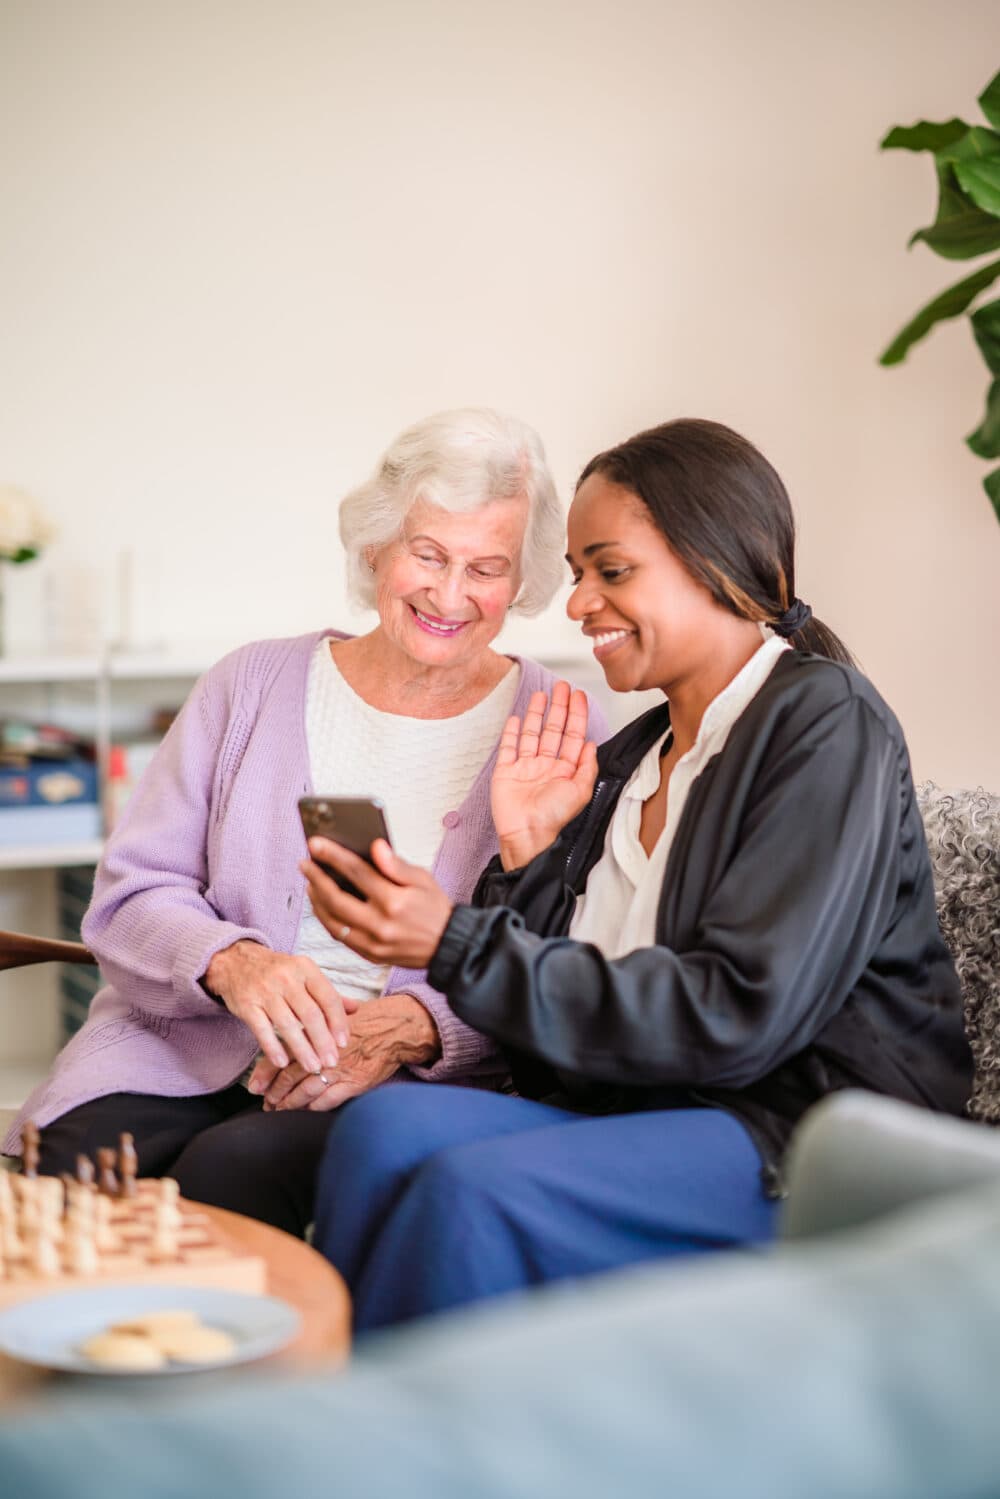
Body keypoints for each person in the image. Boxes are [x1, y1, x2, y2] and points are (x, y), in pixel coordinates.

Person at [293, 417, 972, 1332]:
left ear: (724, 562)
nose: (578, 604)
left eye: (611, 571)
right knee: (379, 1133)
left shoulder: (825, 724)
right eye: (576, 574)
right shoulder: (629, 758)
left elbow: (738, 1017)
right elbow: (547, 1036)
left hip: (799, 1139)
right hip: (638, 1108)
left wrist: (449, 939)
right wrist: (529, 854)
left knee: (474, 1189)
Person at [2, 407, 606, 1235]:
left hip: (376, 1085)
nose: (450, 593)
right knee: (63, 1171)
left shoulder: (560, 725)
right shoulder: (250, 684)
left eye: (486, 568)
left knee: (230, 1180)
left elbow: (573, 961)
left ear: (522, 581)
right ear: (376, 546)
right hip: (182, 1045)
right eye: (427, 554)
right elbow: (131, 891)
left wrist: (426, 1026)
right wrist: (234, 960)